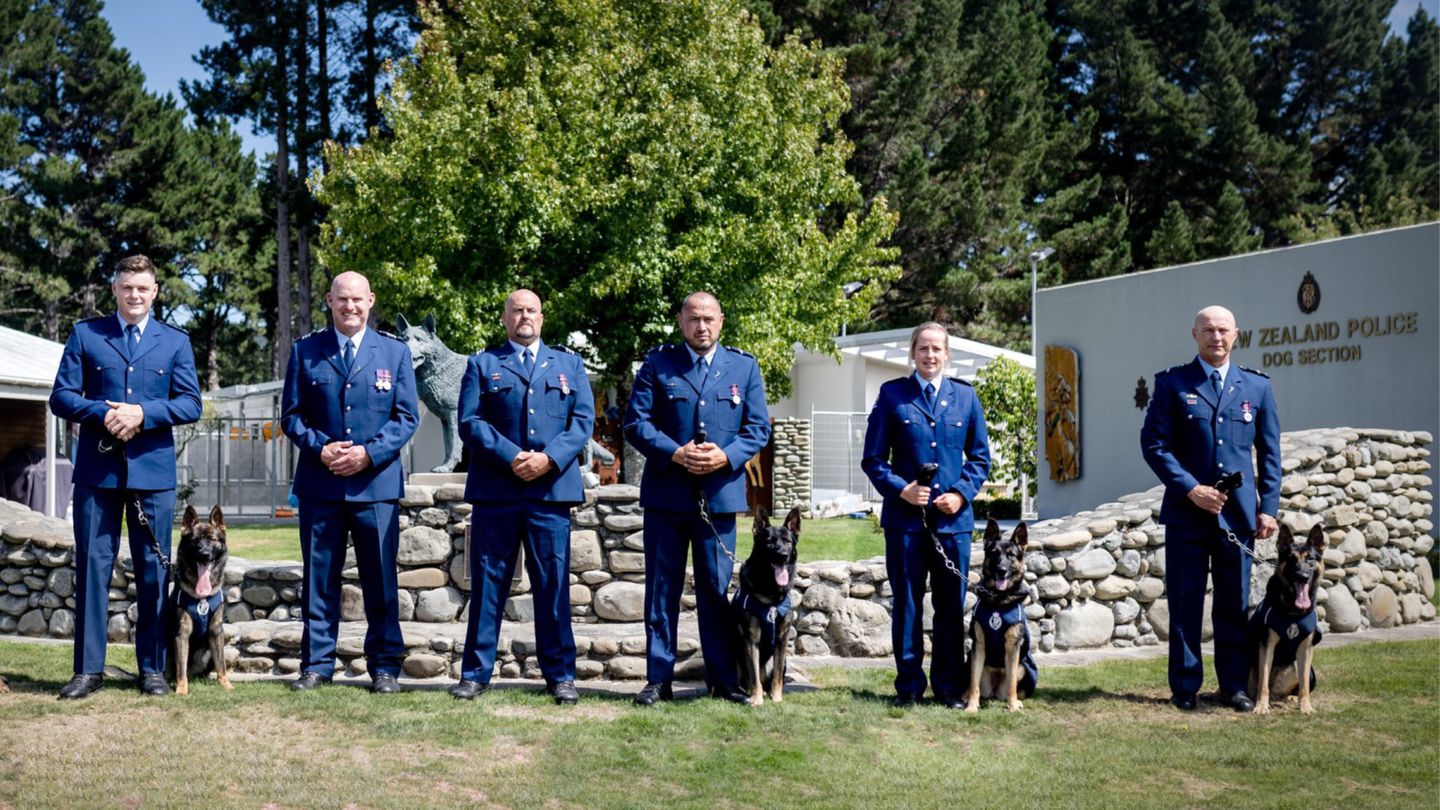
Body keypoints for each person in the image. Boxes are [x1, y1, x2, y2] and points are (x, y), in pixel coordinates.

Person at [49, 255, 202, 699]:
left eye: (143, 288)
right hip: (98, 471)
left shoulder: (174, 342)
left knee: (153, 571)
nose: (135, 295)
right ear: (114, 289)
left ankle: (152, 669)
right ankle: (87, 671)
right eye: (127, 287)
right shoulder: (86, 334)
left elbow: (190, 403)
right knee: (93, 568)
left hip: (153, 474)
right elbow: (61, 397)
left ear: (155, 293)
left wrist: (143, 413)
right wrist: (105, 413)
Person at [624, 292, 770, 705]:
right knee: (662, 591)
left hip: (719, 499)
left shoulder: (744, 366)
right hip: (667, 498)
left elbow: (758, 429)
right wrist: (675, 452)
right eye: (693, 319)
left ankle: (723, 680)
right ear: (680, 320)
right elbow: (636, 422)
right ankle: (658, 679)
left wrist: (726, 455)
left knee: (715, 590)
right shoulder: (658, 364)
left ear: (721, 321)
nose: (701, 326)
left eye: (708, 319)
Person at [450, 289, 595, 704]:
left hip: (550, 493)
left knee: (552, 586)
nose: (524, 316)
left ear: (542, 318)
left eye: (531, 310)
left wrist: (548, 459)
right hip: (498, 491)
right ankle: (475, 674)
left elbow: (581, 422)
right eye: (517, 311)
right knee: (489, 584)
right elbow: (470, 422)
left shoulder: (570, 364)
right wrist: (512, 456)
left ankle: (560, 675)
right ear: (505, 318)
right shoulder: (483, 364)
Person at [281, 271, 419, 693]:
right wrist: (321, 448)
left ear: (371, 301)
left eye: (358, 299)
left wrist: (368, 453)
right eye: (342, 299)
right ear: (329, 300)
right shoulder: (306, 352)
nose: (350, 307)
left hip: (375, 486)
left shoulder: (394, 354)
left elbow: (406, 417)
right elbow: (291, 416)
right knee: (320, 579)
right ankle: (317, 664)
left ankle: (384, 666)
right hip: (321, 486)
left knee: (380, 579)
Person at [1141, 305, 1280, 712]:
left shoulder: (1257, 388)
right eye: (1208, 330)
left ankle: (1234, 686)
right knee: (1186, 604)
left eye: (1223, 330)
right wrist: (1190, 489)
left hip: (1237, 518)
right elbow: (1154, 445)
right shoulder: (1172, 384)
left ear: (1236, 335)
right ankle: (1185, 687)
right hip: (1187, 515)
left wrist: (1268, 507)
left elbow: (1270, 454)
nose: (1215, 337)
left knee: (1233, 605)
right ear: (1194, 335)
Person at [861, 322, 990, 708]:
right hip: (905, 524)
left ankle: (949, 687)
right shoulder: (892, 395)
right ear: (912, 353)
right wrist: (902, 489)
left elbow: (980, 459)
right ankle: (910, 687)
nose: (930, 355)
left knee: (951, 606)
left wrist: (961, 494)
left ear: (947, 354)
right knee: (908, 606)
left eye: (937, 349)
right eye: (923, 349)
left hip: (953, 525)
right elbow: (872, 459)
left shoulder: (965, 398)